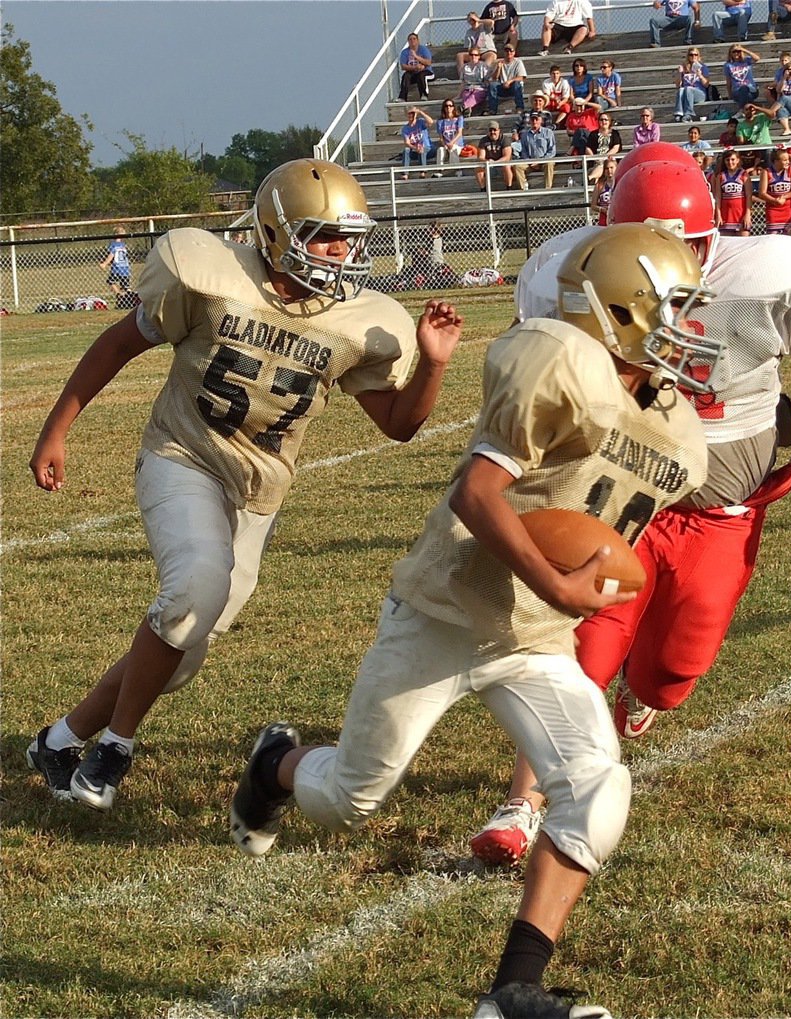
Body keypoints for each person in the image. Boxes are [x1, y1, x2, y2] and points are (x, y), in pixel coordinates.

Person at [228, 222, 716, 1019]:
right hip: (448, 609)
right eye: (673, 309)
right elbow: (476, 494)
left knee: (596, 789)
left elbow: (604, 533)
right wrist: (560, 586)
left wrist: (570, 589)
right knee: (354, 794)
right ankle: (275, 763)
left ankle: (514, 990)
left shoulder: (676, 427)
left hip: (532, 636)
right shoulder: (558, 359)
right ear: (617, 311)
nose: (688, 331)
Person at [24, 159, 462, 810]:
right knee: (194, 587)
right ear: (277, 232)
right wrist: (56, 429)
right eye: (325, 236)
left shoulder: (353, 320)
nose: (343, 252)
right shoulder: (213, 278)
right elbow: (117, 345)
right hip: (184, 455)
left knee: (184, 644)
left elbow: (399, 425)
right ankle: (114, 746)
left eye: (349, 238)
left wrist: (431, 363)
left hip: (258, 492)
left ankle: (59, 741)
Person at [473, 155, 791, 866]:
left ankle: (641, 699)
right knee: (580, 653)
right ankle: (523, 802)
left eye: (686, 250)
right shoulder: (573, 274)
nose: (664, 270)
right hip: (622, 497)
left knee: (673, 670)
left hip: (723, 507)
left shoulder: (761, 281)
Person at [760, 146, 791, 235]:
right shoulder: (766, 172)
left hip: (788, 209)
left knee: (789, 238)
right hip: (773, 210)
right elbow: (762, 193)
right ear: (776, 161)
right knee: (773, 238)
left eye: (788, 159)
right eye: (784, 160)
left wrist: (784, 196)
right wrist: (774, 200)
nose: (787, 162)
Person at [513, 110, 558, 190]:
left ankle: (548, 189)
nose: (534, 121)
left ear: (540, 120)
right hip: (530, 162)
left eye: (536, 119)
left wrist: (540, 161)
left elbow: (551, 151)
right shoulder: (524, 135)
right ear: (529, 120)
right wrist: (529, 162)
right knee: (518, 166)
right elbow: (524, 151)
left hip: (544, 161)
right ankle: (523, 189)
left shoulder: (548, 132)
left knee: (549, 163)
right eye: (532, 119)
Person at [713, 146, 752, 236]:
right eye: (727, 160)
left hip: (740, 215)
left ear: (738, 160)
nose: (730, 162)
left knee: (743, 244)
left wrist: (747, 215)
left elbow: (749, 196)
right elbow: (718, 197)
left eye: (733, 159)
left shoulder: (744, 175)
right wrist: (718, 215)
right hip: (726, 215)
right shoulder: (720, 176)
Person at [475, 121, 516, 190]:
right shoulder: (483, 140)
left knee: (507, 165)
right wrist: (488, 161)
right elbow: (480, 157)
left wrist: (497, 162)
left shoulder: (505, 139)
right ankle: (483, 189)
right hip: (489, 163)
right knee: (478, 168)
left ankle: (509, 187)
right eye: (490, 130)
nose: (492, 132)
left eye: (495, 130)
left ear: (499, 130)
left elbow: (507, 156)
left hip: (501, 162)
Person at [674, 47, 711, 123]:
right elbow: (678, 86)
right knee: (682, 89)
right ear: (688, 56)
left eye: (695, 55)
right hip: (686, 94)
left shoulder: (702, 67)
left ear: (698, 56)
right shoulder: (684, 67)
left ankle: (688, 114)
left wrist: (700, 75)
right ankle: (679, 113)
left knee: (688, 88)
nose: (693, 56)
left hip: (700, 94)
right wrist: (679, 73)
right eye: (691, 55)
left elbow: (706, 85)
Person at [489, 44, 527, 115]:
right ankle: (492, 110)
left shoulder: (518, 62)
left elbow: (521, 77)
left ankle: (520, 108)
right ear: (504, 53)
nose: (509, 53)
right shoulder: (500, 62)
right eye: (506, 51)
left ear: (514, 52)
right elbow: (494, 78)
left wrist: (509, 81)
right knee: (492, 85)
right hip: (502, 87)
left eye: (511, 51)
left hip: (514, 88)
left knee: (517, 84)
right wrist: (498, 68)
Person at [585, 110, 622, 179]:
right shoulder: (593, 134)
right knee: (600, 164)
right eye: (601, 120)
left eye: (606, 120)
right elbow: (588, 148)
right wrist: (594, 158)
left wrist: (605, 156)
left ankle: (590, 177)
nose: (603, 122)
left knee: (604, 164)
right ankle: (593, 179)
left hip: (610, 158)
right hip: (597, 159)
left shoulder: (614, 133)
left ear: (609, 121)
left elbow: (616, 147)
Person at [433, 100, 466, 176]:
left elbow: (459, 133)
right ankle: (439, 170)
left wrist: (452, 143)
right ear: (444, 108)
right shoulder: (440, 121)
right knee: (440, 149)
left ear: (453, 107)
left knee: (453, 148)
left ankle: (458, 169)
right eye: (446, 106)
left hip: (457, 144)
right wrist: (444, 145)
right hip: (446, 145)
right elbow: (441, 137)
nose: (448, 107)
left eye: (450, 105)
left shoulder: (459, 118)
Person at [399, 32, 434, 102]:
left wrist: (416, 56)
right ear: (408, 42)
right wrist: (415, 68)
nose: (412, 41)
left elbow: (429, 62)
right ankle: (402, 97)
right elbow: (403, 66)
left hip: (426, 72)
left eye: (414, 39)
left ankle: (424, 95)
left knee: (421, 75)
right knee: (406, 76)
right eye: (410, 39)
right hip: (413, 73)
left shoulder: (423, 49)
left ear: (418, 40)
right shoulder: (405, 52)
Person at [399, 107, 434, 176]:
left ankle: (423, 171)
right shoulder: (405, 128)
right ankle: (405, 173)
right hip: (415, 150)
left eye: (413, 113)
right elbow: (407, 143)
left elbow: (431, 122)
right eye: (409, 113)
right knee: (406, 150)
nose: (411, 115)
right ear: (406, 115)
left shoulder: (420, 122)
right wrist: (415, 148)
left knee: (421, 148)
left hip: (427, 149)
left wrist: (420, 112)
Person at [723, 43, 760, 107]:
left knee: (746, 91)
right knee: (745, 92)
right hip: (737, 90)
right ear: (730, 53)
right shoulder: (727, 65)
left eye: (738, 51)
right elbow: (728, 81)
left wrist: (744, 50)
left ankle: (742, 109)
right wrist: (730, 94)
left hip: (751, 89)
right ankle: (750, 108)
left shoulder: (746, 60)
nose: (736, 53)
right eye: (734, 51)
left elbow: (757, 58)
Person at [459, 47, 492, 115]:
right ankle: (467, 110)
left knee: (475, 95)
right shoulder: (465, 67)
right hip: (468, 88)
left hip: (480, 88)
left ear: (479, 56)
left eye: (476, 55)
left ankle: (463, 107)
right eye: (471, 55)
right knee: (465, 95)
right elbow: (463, 82)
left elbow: (488, 80)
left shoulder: (484, 66)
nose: (473, 56)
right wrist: (459, 94)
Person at [100, 226, 132, 295]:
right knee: (126, 285)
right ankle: (130, 295)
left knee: (111, 282)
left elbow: (111, 255)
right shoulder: (123, 245)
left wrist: (105, 263)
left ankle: (118, 295)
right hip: (125, 268)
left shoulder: (113, 245)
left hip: (117, 269)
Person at [589, 156, 618, 223]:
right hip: (604, 217)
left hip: (617, 216)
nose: (609, 171)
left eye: (611, 168)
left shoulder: (620, 182)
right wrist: (603, 209)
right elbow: (593, 205)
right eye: (606, 168)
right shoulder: (600, 185)